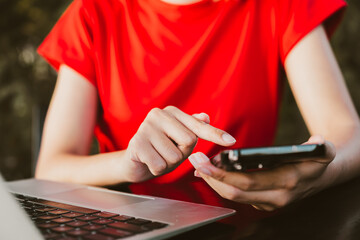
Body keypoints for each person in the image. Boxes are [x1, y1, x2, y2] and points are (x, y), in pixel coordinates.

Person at [35, 0, 360, 222]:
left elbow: (350, 137)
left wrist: (319, 176)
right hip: (127, 225)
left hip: (246, 228)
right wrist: (128, 163)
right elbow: (51, 168)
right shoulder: (94, 11)